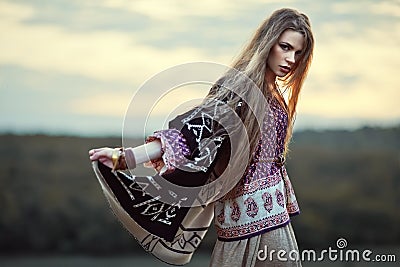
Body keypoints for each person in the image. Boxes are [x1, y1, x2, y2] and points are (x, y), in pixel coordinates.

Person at [89, 8, 314, 267]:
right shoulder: (237, 87)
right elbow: (191, 134)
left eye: (298, 53)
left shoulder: (276, 94)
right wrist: (125, 157)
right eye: (285, 47)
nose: (291, 59)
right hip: (243, 229)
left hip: (276, 221)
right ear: (268, 43)